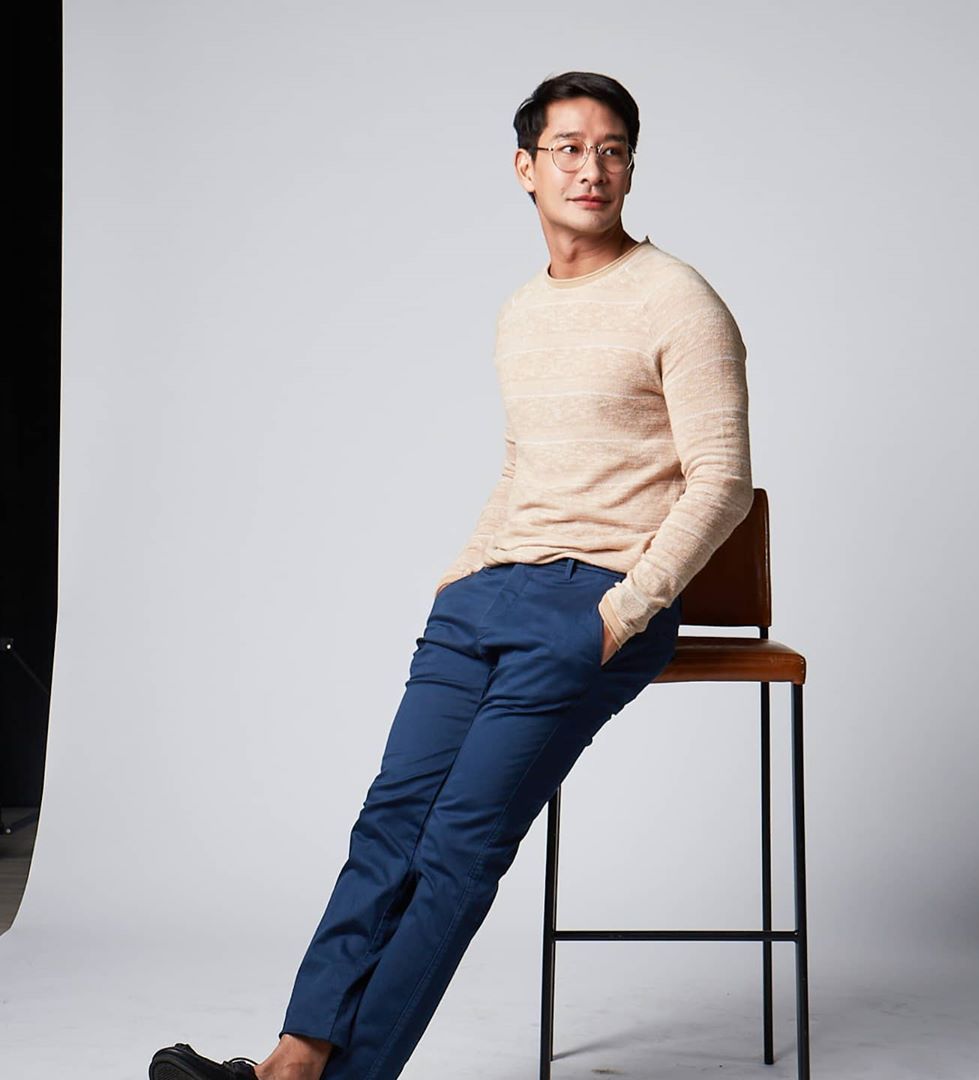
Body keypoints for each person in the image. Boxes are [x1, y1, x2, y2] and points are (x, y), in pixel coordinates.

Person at [149, 69, 753, 1080]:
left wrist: (622, 613)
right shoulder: (521, 311)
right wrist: (462, 572)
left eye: (611, 150)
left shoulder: (677, 299)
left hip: (593, 601)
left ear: (631, 168)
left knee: (459, 846)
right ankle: (294, 1056)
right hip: (486, 596)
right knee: (389, 822)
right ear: (525, 168)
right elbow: (525, 464)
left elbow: (722, 481)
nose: (591, 169)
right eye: (568, 148)